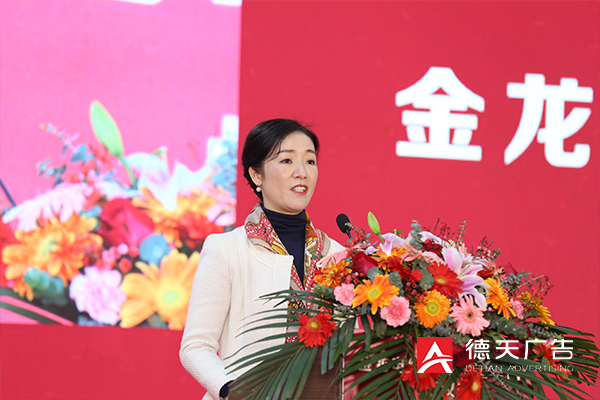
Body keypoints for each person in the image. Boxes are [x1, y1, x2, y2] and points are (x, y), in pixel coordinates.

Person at [179, 118, 345, 400]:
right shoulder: (227, 249)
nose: (302, 172)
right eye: (287, 161)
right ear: (257, 175)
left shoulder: (338, 256)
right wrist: (231, 390)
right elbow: (195, 346)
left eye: (310, 161)